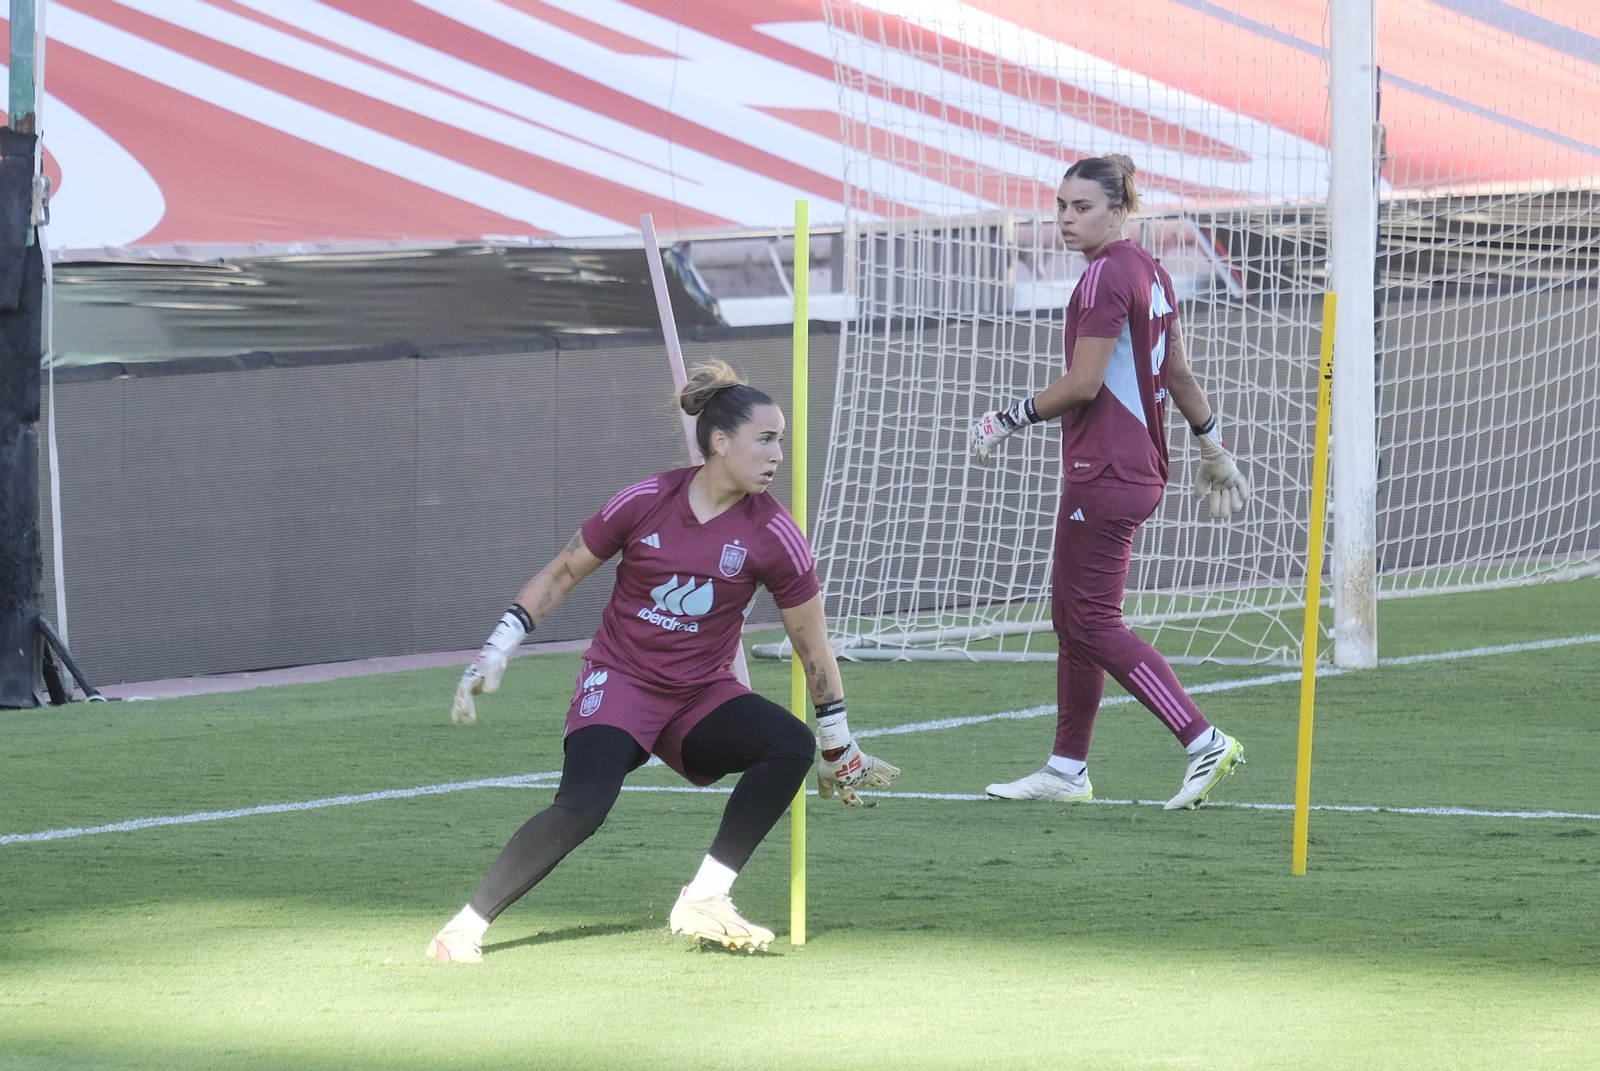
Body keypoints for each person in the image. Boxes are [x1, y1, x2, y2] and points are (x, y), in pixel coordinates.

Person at [427, 361, 900, 962]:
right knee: (584, 807)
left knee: (787, 742)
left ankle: (706, 896)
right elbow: (563, 572)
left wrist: (837, 739)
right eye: (766, 438)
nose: (778, 454)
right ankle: (463, 928)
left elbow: (813, 644)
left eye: (781, 440)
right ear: (720, 442)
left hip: (700, 696)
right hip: (620, 681)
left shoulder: (776, 533)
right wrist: (497, 649)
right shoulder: (646, 499)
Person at [970, 154, 1250, 811]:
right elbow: (1176, 373)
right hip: (1132, 467)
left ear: (1119, 210)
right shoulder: (1147, 269)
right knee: (1074, 619)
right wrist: (1214, 446)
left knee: (1090, 620)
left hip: (1107, 470)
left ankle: (1203, 738)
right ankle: (1067, 768)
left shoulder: (1103, 276)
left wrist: (1004, 419)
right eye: (1061, 206)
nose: (1065, 218)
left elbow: (1083, 384)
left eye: (1082, 207)